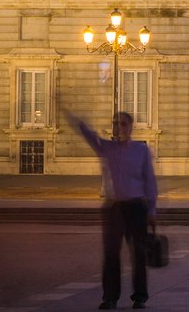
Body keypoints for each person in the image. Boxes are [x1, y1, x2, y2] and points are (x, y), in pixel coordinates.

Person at [66, 109, 157, 311]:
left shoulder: (141, 151)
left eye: (123, 123)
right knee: (111, 255)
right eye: (116, 123)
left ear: (131, 127)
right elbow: (89, 136)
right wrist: (76, 119)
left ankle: (140, 297)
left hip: (136, 207)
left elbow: (149, 180)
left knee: (138, 254)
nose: (119, 127)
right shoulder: (107, 148)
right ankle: (110, 297)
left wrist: (152, 209)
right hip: (113, 207)